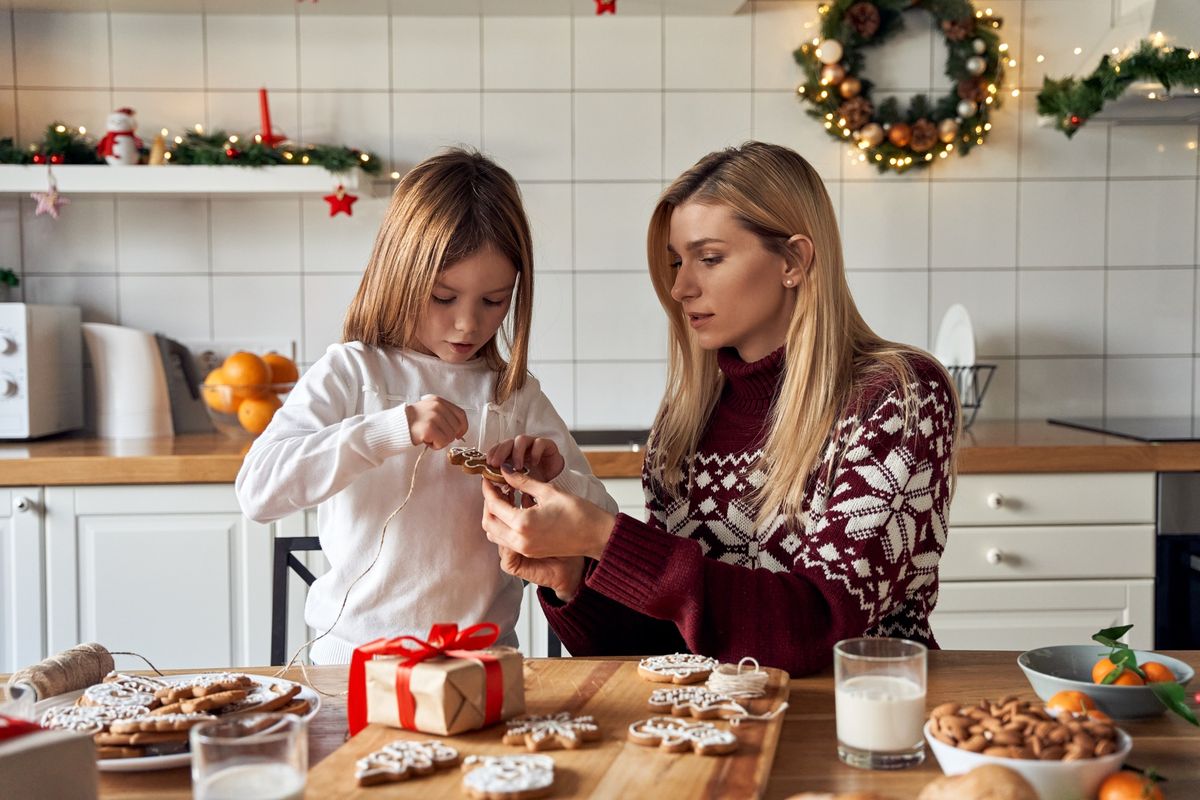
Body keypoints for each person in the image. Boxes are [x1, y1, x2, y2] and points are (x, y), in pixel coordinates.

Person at [480, 141, 959, 676]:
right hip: (723, 728)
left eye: (709, 259)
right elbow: (674, 642)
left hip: (861, 722)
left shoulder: (898, 397)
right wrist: (575, 580)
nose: (681, 286)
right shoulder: (686, 421)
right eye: (676, 262)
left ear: (794, 261)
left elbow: (816, 630)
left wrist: (605, 538)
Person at [236, 149, 615, 665]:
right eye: (443, 297)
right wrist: (392, 429)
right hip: (351, 669)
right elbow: (259, 491)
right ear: (400, 274)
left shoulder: (514, 394)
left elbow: (605, 521)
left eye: (494, 301)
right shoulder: (353, 371)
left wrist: (553, 481)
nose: (468, 324)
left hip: (483, 665)